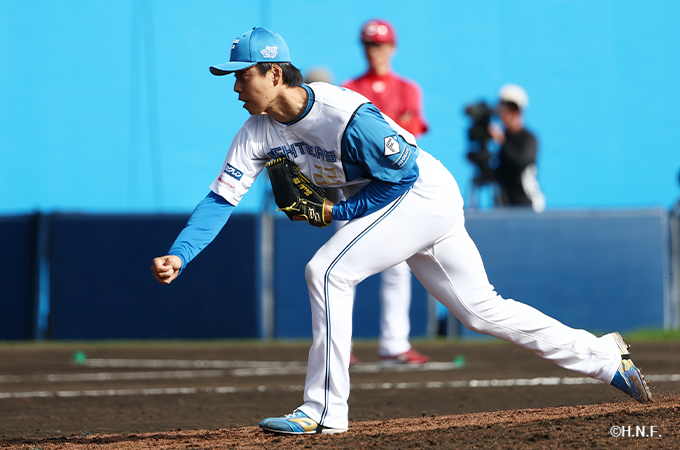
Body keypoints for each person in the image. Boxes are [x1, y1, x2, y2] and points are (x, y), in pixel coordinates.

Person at [151, 27, 652, 436]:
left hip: (422, 194)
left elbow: (404, 176)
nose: (235, 87)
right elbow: (221, 199)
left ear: (274, 73)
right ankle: (604, 358)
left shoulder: (344, 114)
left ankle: (324, 411)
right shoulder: (256, 132)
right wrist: (181, 253)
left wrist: (338, 210)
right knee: (480, 311)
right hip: (401, 204)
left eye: (242, 76)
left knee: (326, 271)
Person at [342, 19, 430, 365]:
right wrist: (390, 128)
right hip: (355, 188)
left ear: (392, 48)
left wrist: (376, 134)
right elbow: (354, 139)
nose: (374, 51)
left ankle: (394, 344)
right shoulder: (349, 88)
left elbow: (410, 135)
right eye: (368, 44)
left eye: (379, 45)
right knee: (340, 267)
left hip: (393, 190)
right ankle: (339, 347)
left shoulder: (407, 88)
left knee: (397, 267)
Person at [488, 84, 546, 212]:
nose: (504, 115)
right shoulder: (505, 137)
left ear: (518, 112)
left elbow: (522, 163)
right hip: (505, 203)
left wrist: (502, 141)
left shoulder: (529, 138)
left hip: (526, 202)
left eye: (509, 110)